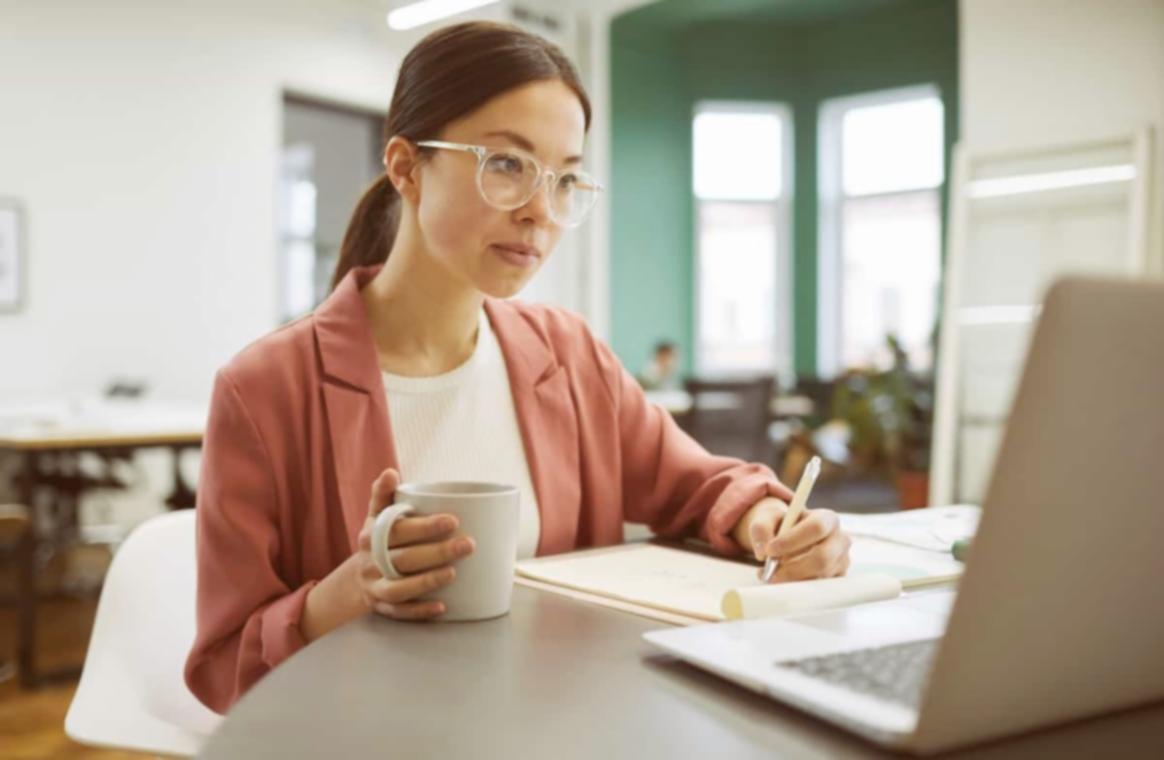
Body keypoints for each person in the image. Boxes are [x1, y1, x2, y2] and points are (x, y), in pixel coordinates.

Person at [185, 21, 851, 714]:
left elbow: (700, 486)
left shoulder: (566, 353)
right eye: (506, 164)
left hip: (559, 719)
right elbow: (221, 663)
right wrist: (348, 592)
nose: (540, 211)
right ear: (406, 167)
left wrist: (774, 523)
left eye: (564, 179)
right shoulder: (265, 389)